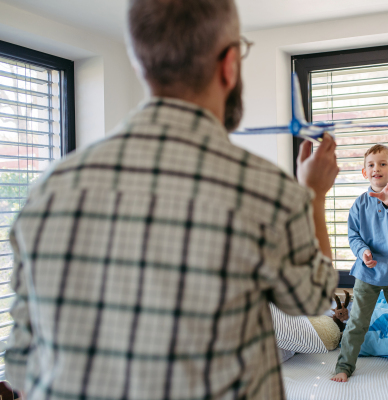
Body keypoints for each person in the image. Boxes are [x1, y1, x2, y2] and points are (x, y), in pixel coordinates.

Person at [4, 1, 339, 399]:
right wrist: (313, 196)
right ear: (230, 64)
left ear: (139, 64)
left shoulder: (48, 189)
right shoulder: (267, 191)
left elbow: (21, 362)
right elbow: (316, 298)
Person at [331, 144, 388, 383]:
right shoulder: (359, 204)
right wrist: (363, 252)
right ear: (364, 172)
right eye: (371, 165)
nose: (376, 168)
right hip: (367, 273)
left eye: (382, 164)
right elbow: (353, 235)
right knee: (356, 322)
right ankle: (344, 366)